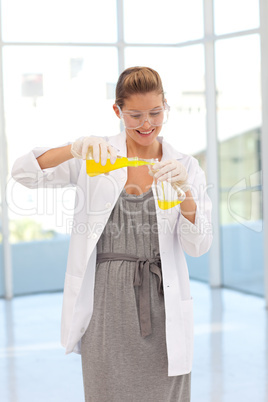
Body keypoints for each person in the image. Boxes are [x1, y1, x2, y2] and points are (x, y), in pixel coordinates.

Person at [12, 66, 213, 402]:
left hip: (163, 301)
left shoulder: (185, 165)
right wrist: (74, 149)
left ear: (166, 107)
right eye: (135, 115)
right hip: (106, 302)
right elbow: (23, 173)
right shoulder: (98, 156)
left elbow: (198, 245)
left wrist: (185, 191)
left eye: (155, 112)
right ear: (117, 111)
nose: (147, 124)